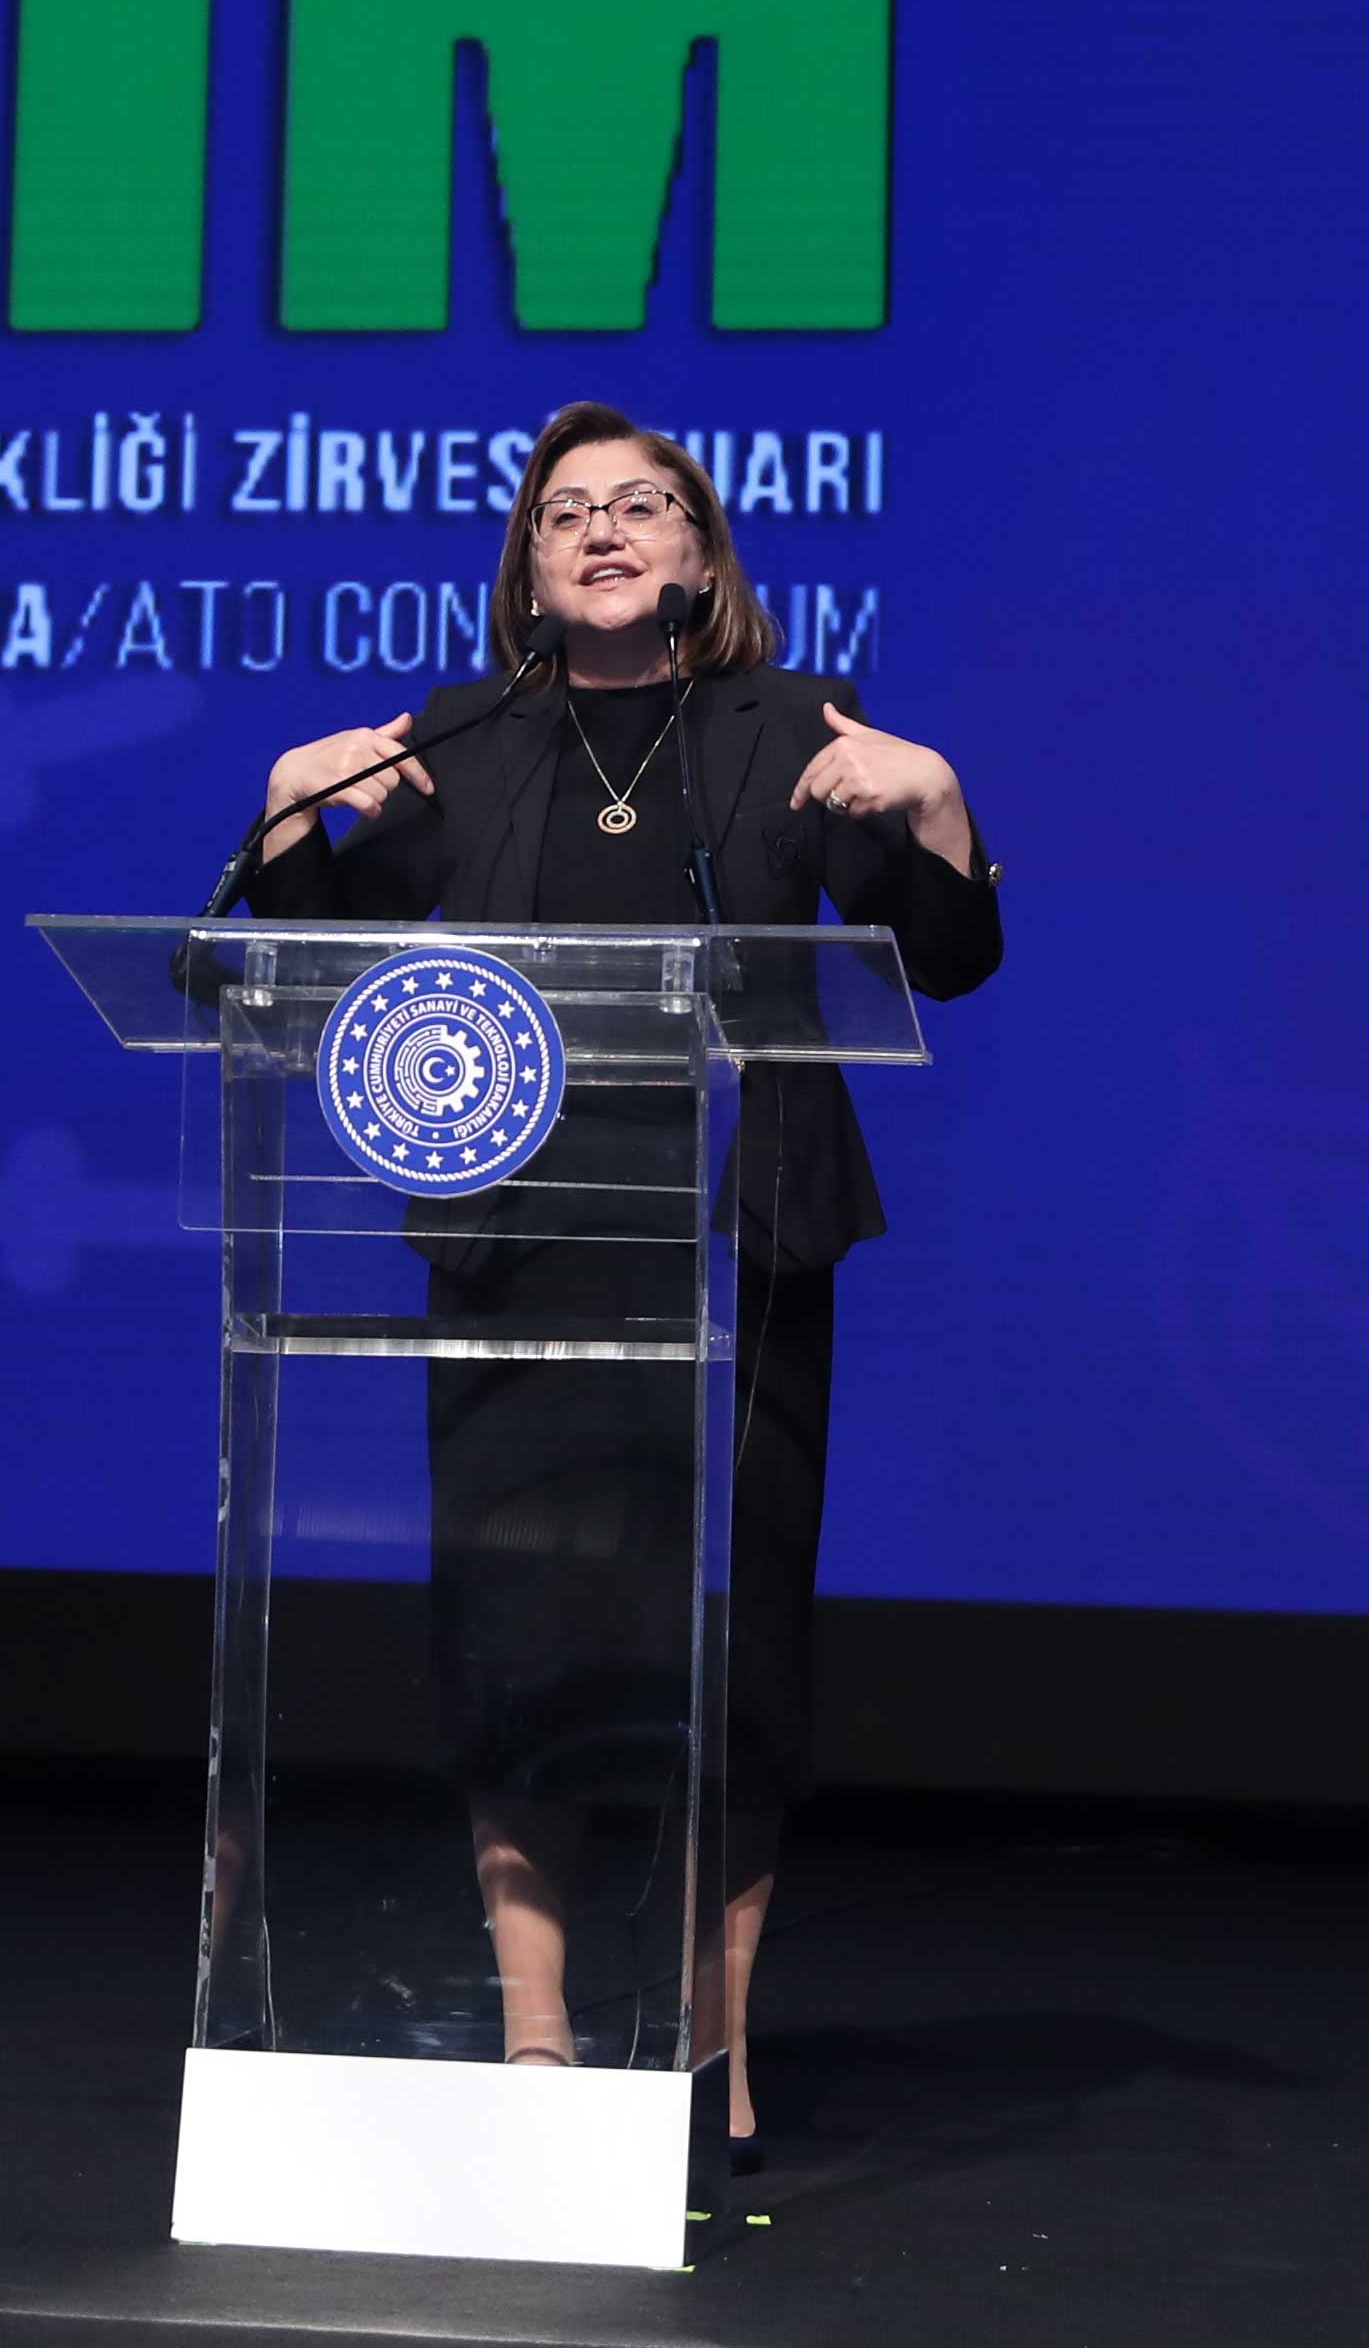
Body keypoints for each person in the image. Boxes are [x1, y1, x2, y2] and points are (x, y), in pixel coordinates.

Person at [242, 402, 999, 2161]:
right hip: (525, 1240)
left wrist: (939, 801)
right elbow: (297, 963)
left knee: (735, 1653)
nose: (600, 529)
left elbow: (951, 960)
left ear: (700, 554)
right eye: (565, 510)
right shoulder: (459, 742)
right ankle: (538, 2039)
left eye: (641, 504)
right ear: (526, 564)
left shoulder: (792, 730)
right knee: (524, 1644)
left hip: (741, 1239)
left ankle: (708, 2051)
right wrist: (288, 812)